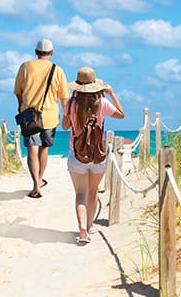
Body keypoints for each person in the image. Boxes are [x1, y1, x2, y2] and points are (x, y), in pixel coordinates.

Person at [62, 66, 125, 243]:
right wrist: (111, 93)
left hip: (77, 155)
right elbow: (121, 115)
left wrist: (68, 111)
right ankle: (90, 225)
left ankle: (82, 229)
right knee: (93, 191)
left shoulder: (71, 104)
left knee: (80, 193)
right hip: (98, 155)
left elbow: (65, 127)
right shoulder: (102, 103)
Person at [13, 38, 69, 198]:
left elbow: (18, 91)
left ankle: (36, 184)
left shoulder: (25, 66)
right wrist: (67, 115)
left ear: (36, 52)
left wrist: (21, 106)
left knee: (32, 149)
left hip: (30, 115)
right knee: (44, 148)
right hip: (50, 115)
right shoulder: (57, 70)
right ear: (51, 52)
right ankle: (39, 179)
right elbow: (64, 97)